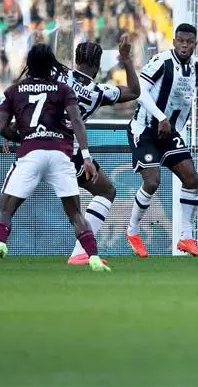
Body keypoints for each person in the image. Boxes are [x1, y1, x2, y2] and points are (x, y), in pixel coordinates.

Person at [0, 44, 110, 272]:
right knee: (75, 213)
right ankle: (92, 256)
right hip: (60, 154)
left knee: (5, 208)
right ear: (52, 65)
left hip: (31, 153)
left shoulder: (15, 90)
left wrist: (21, 135)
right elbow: (76, 121)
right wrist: (85, 156)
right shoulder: (63, 89)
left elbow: (1, 127)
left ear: (29, 64)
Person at [125, 23, 198, 258]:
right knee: (152, 182)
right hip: (145, 130)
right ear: (174, 41)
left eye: (189, 41)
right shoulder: (161, 62)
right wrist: (160, 117)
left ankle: (186, 237)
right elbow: (139, 92)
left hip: (170, 133)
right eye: (180, 40)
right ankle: (132, 231)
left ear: (195, 43)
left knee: (191, 177)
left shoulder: (196, 66)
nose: (184, 45)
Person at [59, 38, 140, 265]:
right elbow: (134, 91)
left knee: (14, 197)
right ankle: (80, 251)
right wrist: (126, 59)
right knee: (106, 191)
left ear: (76, 60)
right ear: (97, 67)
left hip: (37, 142)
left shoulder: (57, 76)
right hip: (68, 152)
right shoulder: (97, 92)